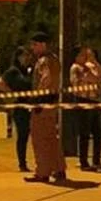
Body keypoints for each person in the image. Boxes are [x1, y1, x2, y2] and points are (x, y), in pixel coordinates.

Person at [26, 32, 67, 183]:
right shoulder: (54, 59)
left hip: (43, 103)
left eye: (35, 44)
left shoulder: (44, 61)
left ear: (43, 44)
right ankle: (59, 169)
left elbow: (46, 79)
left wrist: (37, 97)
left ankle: (42, 172)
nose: (33, 48)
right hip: (52, 103)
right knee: (51, 138)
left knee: (40, 138)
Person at [0, 46, 34, 172]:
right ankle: (22, 163)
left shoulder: (28, 70)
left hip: (30, 105)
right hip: (19, 106)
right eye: (24, 56)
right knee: (22, 135)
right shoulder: (13, 71)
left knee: (28, 134)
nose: (27, 58)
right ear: (18, 57)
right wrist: (11, 94)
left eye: (28, 55)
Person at [70, 45, 101, 171]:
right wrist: (95, 76)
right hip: (83, 100)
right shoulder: (76, 68)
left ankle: (96, 160)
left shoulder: (89, 66)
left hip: (94, 100)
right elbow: (93, 78)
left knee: (98, 132)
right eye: (82, 55)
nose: (85, 57)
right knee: (84, 133)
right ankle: (84, 162)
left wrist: (95, 62)